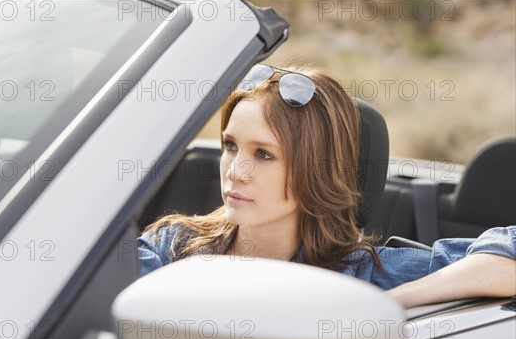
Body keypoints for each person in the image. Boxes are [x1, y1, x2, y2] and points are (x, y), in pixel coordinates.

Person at [138, 63, 516, 309]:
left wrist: (385, 304)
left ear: (317, 170)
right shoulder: (173, 245)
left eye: (264, 155)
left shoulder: (362, 275)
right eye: (231, 145)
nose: (236, 170)